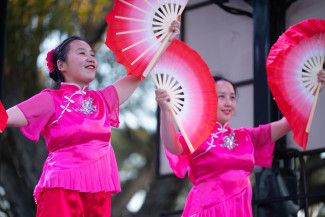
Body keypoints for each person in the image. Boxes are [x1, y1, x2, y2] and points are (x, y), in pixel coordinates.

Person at [0, 20, 180, 217]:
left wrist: (164, 41)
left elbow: (138, 74)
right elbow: (5, 117)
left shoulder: (103, 99)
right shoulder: (50, 100)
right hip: (61, 188)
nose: (90, 57)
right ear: (61, 65)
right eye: (81, 53)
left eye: (92, 54)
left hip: (99, 191)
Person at [155, 71, 325, 217]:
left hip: (239, 209)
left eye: (232, 97)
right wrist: (165, 110)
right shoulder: (196, 134)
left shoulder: (246, 136)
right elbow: (172, 146)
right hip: (207, 209)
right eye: (221, 97)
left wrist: (312, 89)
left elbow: (287, 123)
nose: (228, 102)